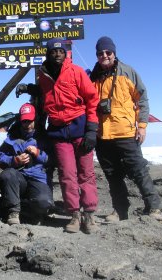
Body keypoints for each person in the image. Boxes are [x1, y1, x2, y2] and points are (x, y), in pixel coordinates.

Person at [17, 38, 100, 234]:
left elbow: (92, 99)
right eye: (53, 51)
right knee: (67, 174)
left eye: (60, 51)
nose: (57, 54)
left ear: (65, 53)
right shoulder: (43, 76)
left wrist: (91, 130)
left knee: (86, 173)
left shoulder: (77, 72)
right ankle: (74, 215)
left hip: (80, 129)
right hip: (59, 132)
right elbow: (46, 92)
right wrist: (28, 88)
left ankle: (89, 214)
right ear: (48, 54)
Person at [89, 36, 162, 222]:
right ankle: (120, 210)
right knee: (112, 175)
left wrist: (143, 126)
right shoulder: (92, 77)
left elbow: (142, 100)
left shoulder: (128, 72)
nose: (104, 56)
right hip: (102, 135)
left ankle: (154, 208)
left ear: (114, 53)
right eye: (100, 53)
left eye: (108, 52)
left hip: (126, 132)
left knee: (139, 170)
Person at [0, 103, 54, 225]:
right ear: (20, 121)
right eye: (24, 121)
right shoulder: (12, 137)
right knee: (7, 175)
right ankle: (14, 211)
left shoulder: (45, 136)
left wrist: (38, 153)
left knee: (44, 203)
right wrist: (14, 160)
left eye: (30, 120)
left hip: (39, 178)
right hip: (19, 177)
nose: (27, 124)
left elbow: (53, 160)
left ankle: (30, 210)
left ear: (35, 119)